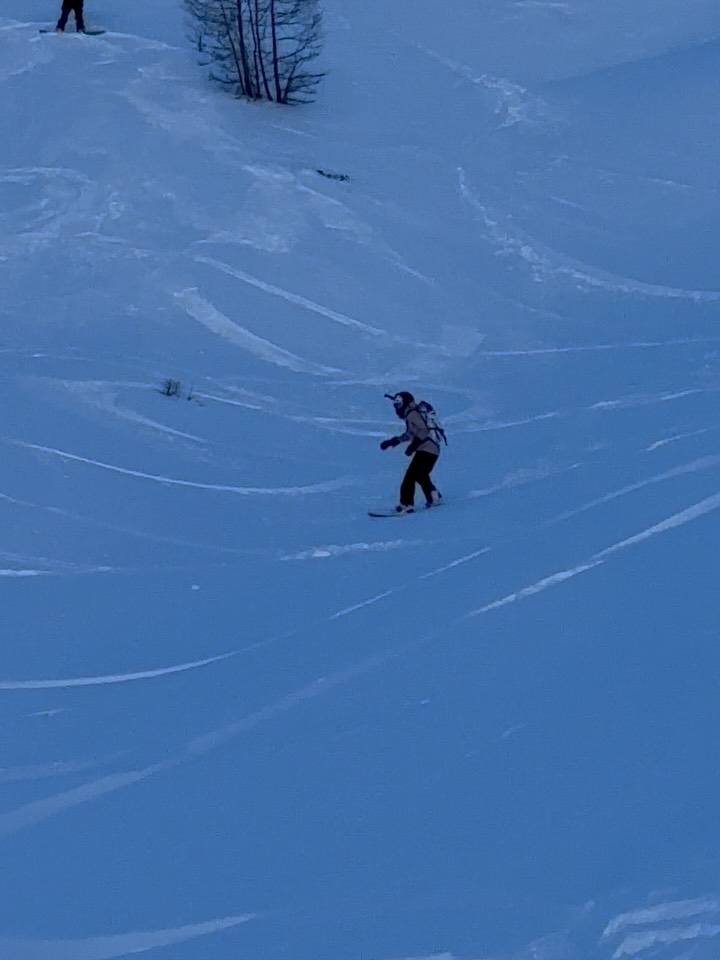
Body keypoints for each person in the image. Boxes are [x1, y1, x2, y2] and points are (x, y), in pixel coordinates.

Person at [380, 391, 442, 513]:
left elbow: (424, 430)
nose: (397, 408)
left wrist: (414, 444)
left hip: (426, 449)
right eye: (395, 405)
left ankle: (406, 504)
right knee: (420, 475)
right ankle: (434, 497)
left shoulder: (412, 414)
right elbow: (410, 434)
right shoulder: (411, 414)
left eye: (398, 404)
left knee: (410, 476)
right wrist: (394, 441)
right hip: (432, 450)